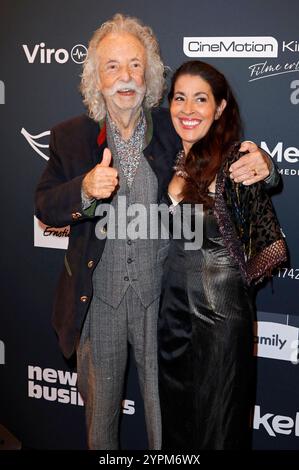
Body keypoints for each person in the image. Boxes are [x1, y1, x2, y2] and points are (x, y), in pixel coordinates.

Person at [35, 14, 278, 450]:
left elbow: (227, 153)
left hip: (163, 306)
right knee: (100, 427)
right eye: (112, 66)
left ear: (149, 74)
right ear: (95, 76)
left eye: (134, 65)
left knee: (167, 426)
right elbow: (44, 204)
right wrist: (84, 189)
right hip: (98, 302)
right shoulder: (70, 137)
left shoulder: (173, 126)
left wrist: (267, 165)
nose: (125, 77)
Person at [158, 60, 287, 450]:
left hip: (221, 315)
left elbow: (266, 185)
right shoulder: (169, 155)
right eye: (180, 98)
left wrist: (269, 168)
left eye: (201, 99)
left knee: (219, 427)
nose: (188, 109)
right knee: (176, 424)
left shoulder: (235, 160)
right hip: (173, 313)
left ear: (220, 108)